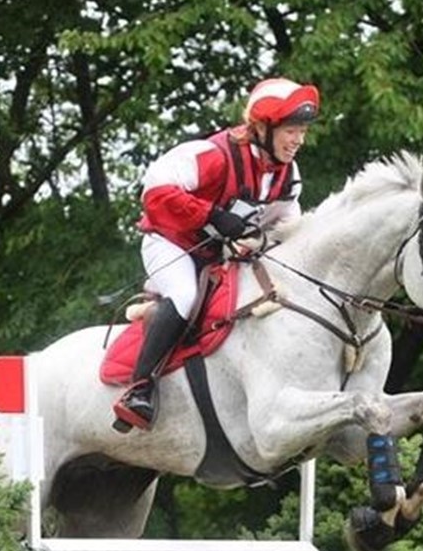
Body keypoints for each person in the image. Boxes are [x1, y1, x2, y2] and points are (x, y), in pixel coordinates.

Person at [113, 77, 320, 431]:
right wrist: (211, 215)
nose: (299, 140)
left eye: (302, 131)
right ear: (261, 128)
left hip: (217, 255)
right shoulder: (214, 154)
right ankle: (139, 389)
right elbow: (155, 192)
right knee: (185, 295)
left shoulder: (288, 175)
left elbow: (288, 225)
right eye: (291, 131)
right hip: (171, 243)